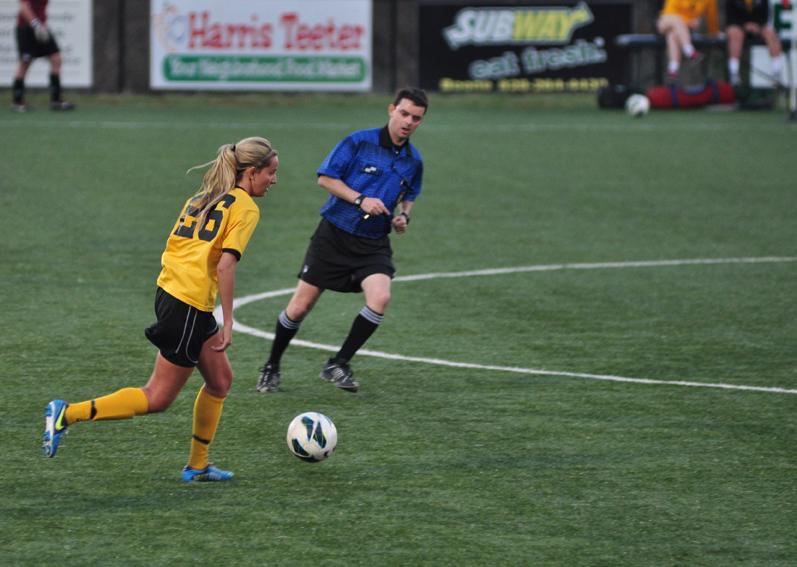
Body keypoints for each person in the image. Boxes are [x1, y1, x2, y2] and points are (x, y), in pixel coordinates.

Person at [42, 136, 280, 483]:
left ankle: (198, 465)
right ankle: (67, 414)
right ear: (252, 171)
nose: (274, 180)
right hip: (187, 306)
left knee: (221, 380)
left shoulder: (202, 197)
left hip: (173, 294)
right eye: (271, 173)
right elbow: (226, 266)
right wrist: (228, 322)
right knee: (157, 397)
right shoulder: (245, 207)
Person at [255, 87, 428, 394]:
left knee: (381, 298)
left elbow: (410, 193)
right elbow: (325, 178)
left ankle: (339, 363)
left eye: (416, 118)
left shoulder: (414, 161)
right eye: (404, 113)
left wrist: (404, 216)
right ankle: (271, 366)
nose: (408, 122)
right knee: (299, 307)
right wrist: (360, 199)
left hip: (373, 242)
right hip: (333, 235)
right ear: (391, 110)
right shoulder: (360, 141)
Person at [11, 0, 74, 112]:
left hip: (41, 28)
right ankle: (17, 102)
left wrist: (41, 26)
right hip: (26, 28)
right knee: (25, 63)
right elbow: (24, 7)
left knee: (56, 59)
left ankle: (56, 100)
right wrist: (36, 25)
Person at [656, 0, 720, 82]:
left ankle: (673, 67)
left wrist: (714, 32)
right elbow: (671, 11)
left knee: (672, 35)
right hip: (666, 20)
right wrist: (689, 21)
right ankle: (689, 50)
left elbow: (712, 16)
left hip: (681, 30)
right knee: (677, 21)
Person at [725, 0, 784, 86]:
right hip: (738, 27)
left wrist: (757, 26)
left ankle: (777, 72)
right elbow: (730, 18)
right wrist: (744, 25)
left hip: (758, 27)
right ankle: (734, 73)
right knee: (735, 33)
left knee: (771, 33)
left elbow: (766, 16)